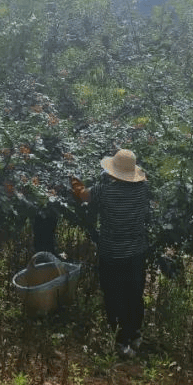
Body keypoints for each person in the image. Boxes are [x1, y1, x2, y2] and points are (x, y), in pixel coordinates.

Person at [71, 149, 151, 359]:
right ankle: (134, 335)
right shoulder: (143, 189)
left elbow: (84, 196)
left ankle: (120, 341)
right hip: (136, 253)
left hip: (111, 254)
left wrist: (74, 181)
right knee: (134, 294)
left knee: (114, 295)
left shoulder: (104, 190)